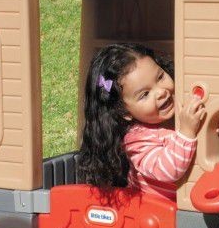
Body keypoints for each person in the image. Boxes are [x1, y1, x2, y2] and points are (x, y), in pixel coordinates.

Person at [77, 43, 205, 201]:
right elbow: (169, 171)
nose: (161, 92)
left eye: (160, 77)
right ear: (124, 112)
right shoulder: (137, 140)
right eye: (145, 94)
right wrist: (187, 132)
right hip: (155, 211)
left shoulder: (180, 111)